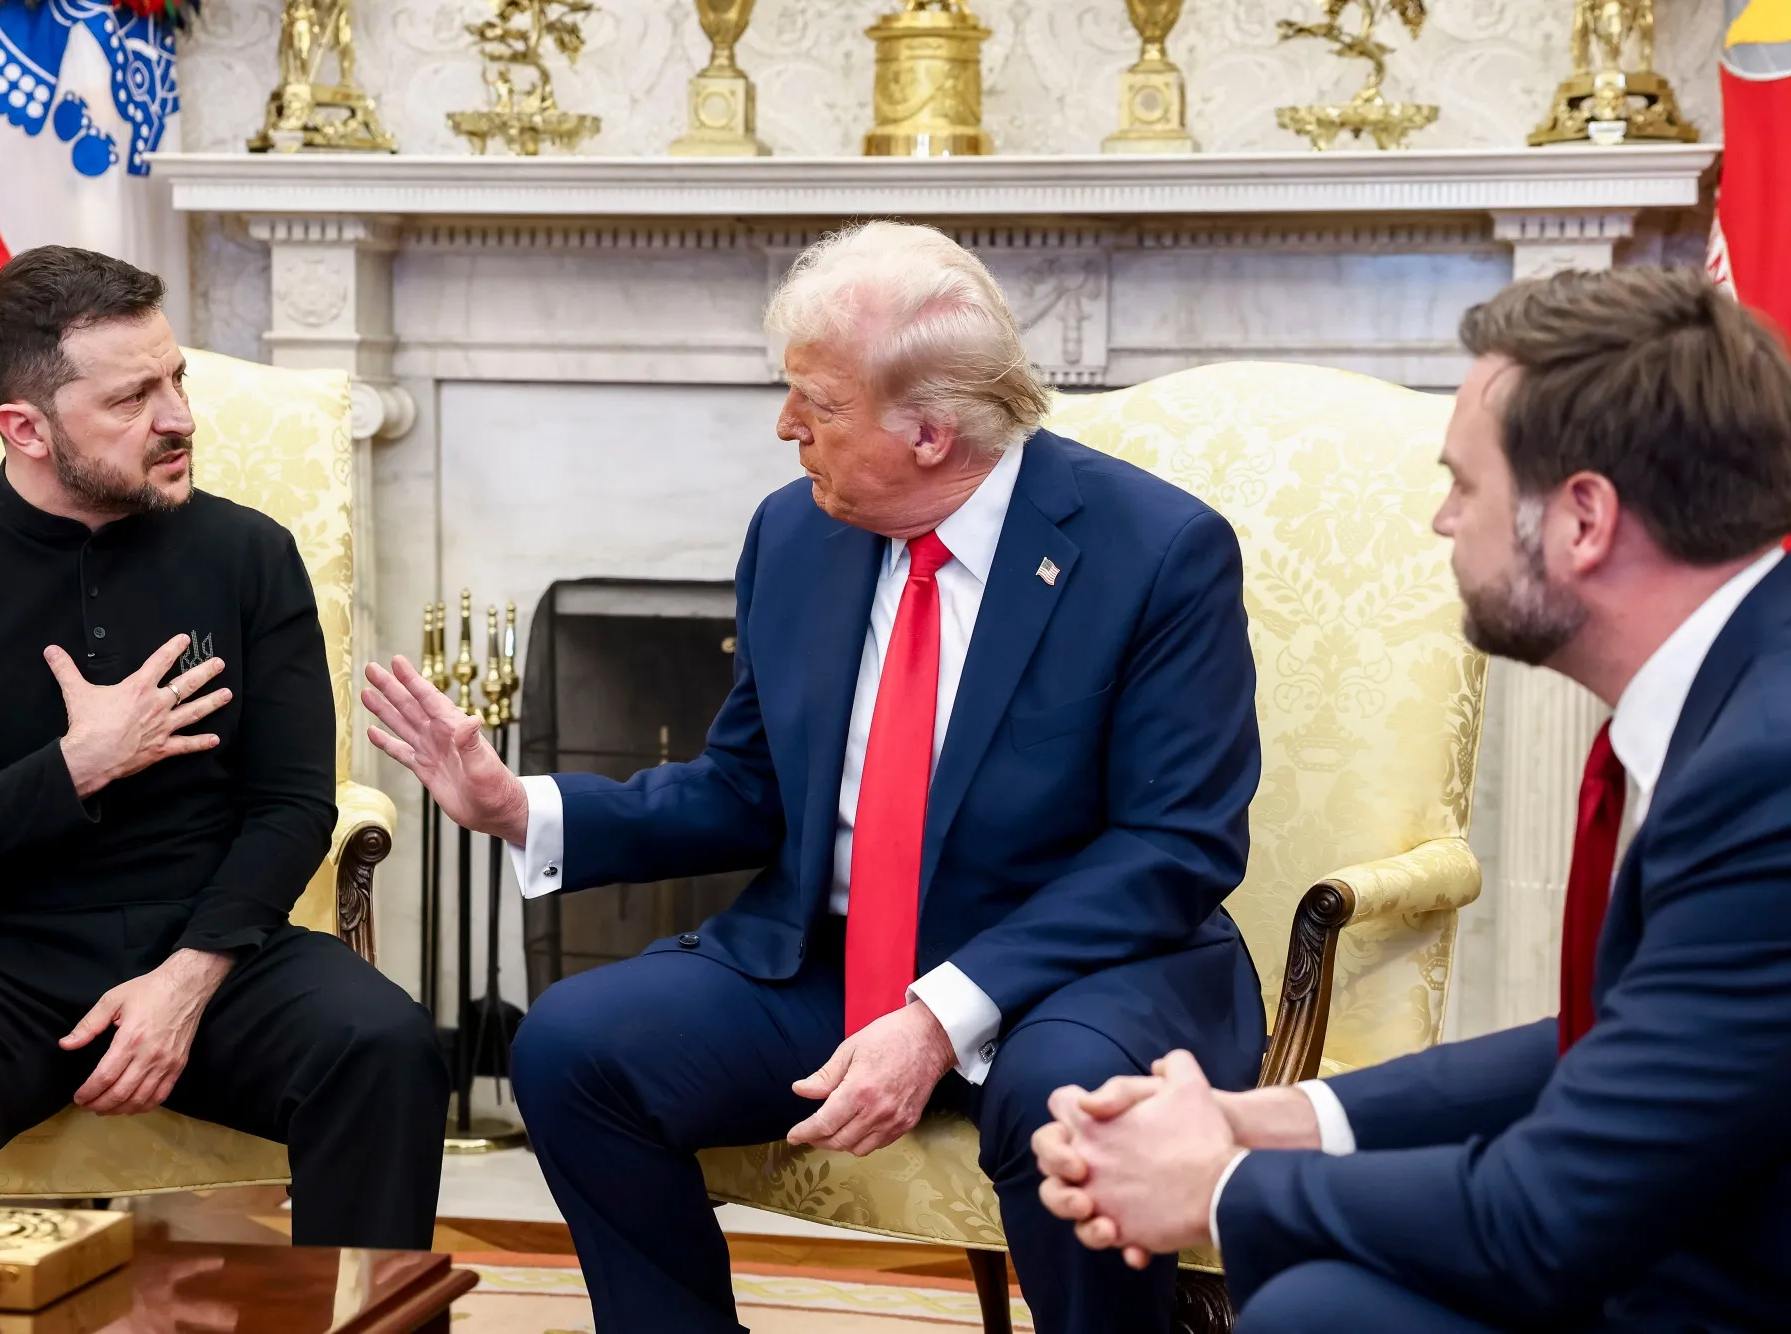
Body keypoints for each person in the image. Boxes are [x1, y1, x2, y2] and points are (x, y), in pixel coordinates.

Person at [363, 220, 1266, 1333]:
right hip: (831, 960)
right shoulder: (796, 532)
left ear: (930, 430)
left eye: (819, 405)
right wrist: (519, 804)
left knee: (1062, 1104)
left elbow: (1171, 845)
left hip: (1075, 973)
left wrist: (937, 1015)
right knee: (572, 1048)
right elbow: (744, 788)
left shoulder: (1155, 550)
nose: (786, 427)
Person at [1030, 266, 1791, 1332]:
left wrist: (1211, 1184)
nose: (1440, 521)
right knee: (1319, 1300)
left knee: (1317, 1315)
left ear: (1581, 518)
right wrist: (1279, 1115)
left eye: (1463, 485)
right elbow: (1609, 1033)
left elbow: (1542, 1218)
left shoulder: (1762, 774)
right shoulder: (1743, 686)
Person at [0, 245, 448, 1248]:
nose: (179, 416)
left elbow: (293, 803)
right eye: (131, 398)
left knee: (383, 1045)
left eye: (176, 376)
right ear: (24, 428)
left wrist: (186, 976)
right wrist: (77, 765)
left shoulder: (250, 554)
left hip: (211, 940)